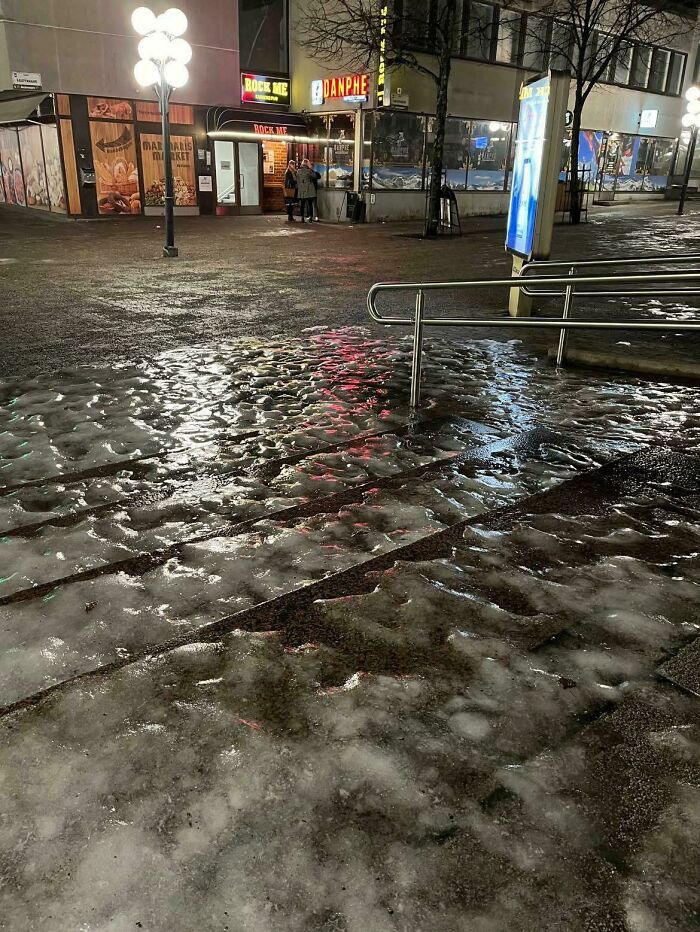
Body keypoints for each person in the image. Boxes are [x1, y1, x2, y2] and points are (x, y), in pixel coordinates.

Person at [296, 159, 316, 223]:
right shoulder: (309, 171)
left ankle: (302, 217)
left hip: (301, 189)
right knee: (310, 204)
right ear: (307, 164)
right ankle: (310, 217)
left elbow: (297, 180)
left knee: (302, 204)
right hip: (309, 189)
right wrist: (311, 168)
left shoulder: (298, 171)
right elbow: (315, 176)